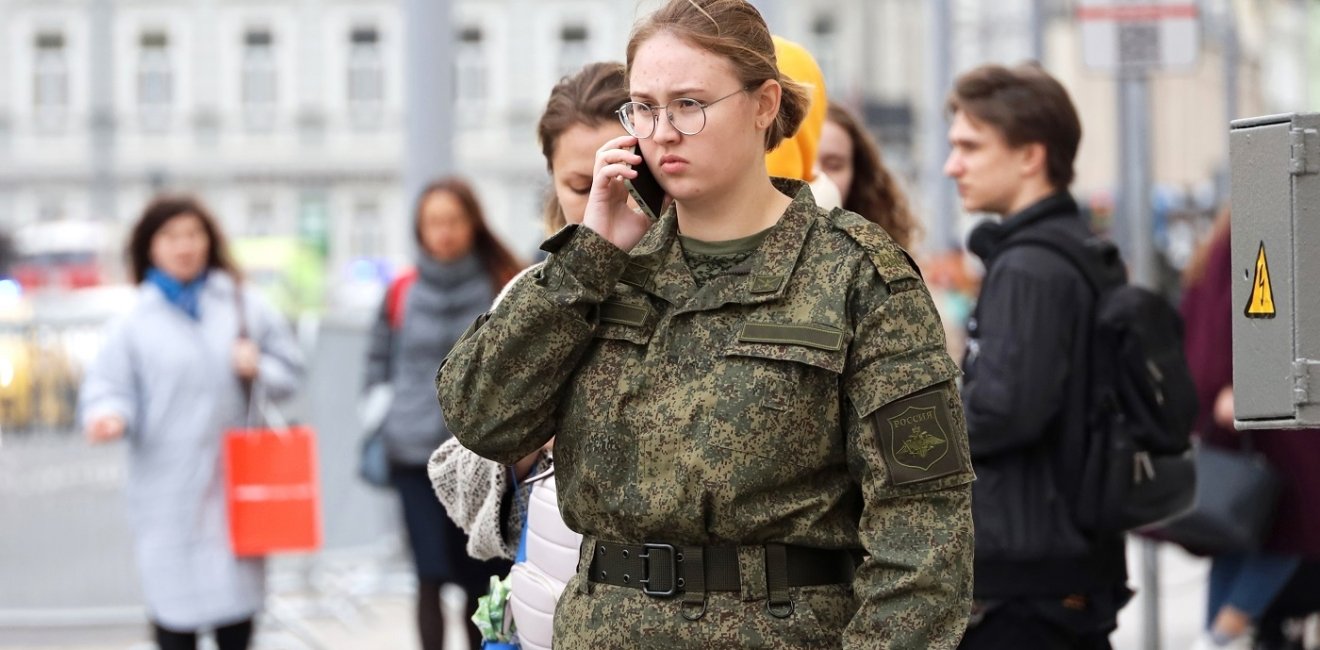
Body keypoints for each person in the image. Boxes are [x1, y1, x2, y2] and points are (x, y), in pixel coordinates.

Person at [438, 1, 974, 648]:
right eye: (642, 107)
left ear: (763, 104)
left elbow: (924, 534)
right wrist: (587, 258)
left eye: (689, 104)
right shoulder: (600, 270)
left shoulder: (860, 279)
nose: (661, 131)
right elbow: (481, 417)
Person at [427, 61, 629, 650]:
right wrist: (533, 446)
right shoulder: (534, 293)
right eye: (580, 184)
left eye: (622, 172)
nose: (605, 197)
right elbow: (455, 468)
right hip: (550, 603)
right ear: (552, 183)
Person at [946, 63, 1131, 650]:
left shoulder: (1029, 267)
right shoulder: (1079, 250)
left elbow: (1002, 411)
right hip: (1066, 563)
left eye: (970, 147)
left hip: (1027, 587)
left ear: (1030, 156)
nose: (954, 166)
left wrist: (890, 433)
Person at [78, 195, 304, 650]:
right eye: (171, 236)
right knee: (174, 618)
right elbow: (109, 385)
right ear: (150, 247)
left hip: (234, 484)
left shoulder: (244, 304)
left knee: (236, 619)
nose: (184, 247)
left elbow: (292, 370)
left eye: (192, 234)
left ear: (209, 241)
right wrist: (109, 415)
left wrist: (258, 364)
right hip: (167, 488)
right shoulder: (134, 323)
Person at [363, 177, 521, 650]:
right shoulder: (401, 291)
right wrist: (382, 415)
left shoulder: (503, 282)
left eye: (453, 220)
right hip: (412, 454)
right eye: (433, 222)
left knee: (482, 574)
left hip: (482, 457)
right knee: (427, 575)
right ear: (419, 230)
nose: (444, 232)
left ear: (472, 224)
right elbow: (377, 360)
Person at [1180, 210, 1320, 650]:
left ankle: (1218, 633)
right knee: (1295, 527)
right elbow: (1238, 315)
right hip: (1273, 417)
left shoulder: (1224, 235)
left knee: (1242, 534)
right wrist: (1229, 382)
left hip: (1248, 416)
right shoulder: (1262, 229)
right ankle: (1224, 635)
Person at [818, 103, 921, 250]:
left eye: (833, 165)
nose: (818, 176)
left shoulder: (880, 264)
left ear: (857, 175)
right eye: (803, 163)